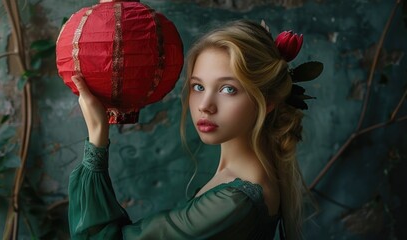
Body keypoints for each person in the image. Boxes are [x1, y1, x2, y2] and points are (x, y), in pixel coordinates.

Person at [68, 20, 311, 240]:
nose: (205, 106)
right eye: (198, 87)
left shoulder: (237, 201)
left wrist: (97, 137)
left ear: (266, 101)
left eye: (228, 89)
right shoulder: (242, 179)